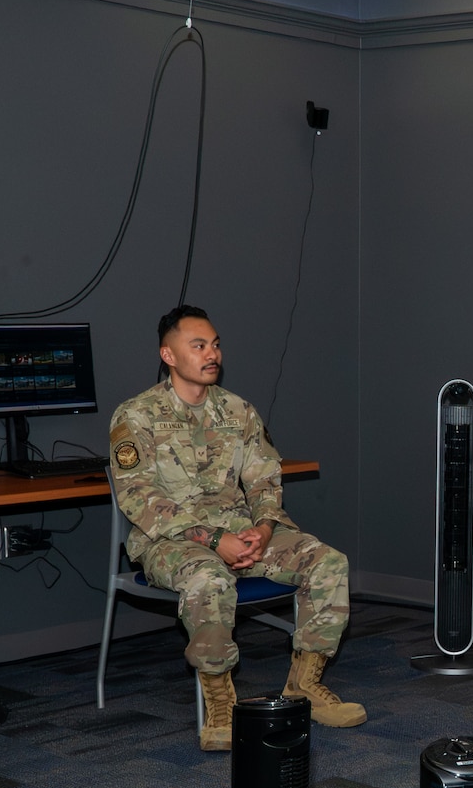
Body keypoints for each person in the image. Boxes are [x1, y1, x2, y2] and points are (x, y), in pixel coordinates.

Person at [108, 305, 365, 750]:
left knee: (328, 561)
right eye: (199, 345)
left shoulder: (238, 410)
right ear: (168, 355)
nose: (213, 354)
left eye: (216, 344)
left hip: (244, 533)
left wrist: (264, 530)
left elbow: (265, 479)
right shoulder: (136, 416)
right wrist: (213, 540)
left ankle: (304, 683)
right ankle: (220, 702)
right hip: (172, 542)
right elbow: (139, 498)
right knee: (209, 578)